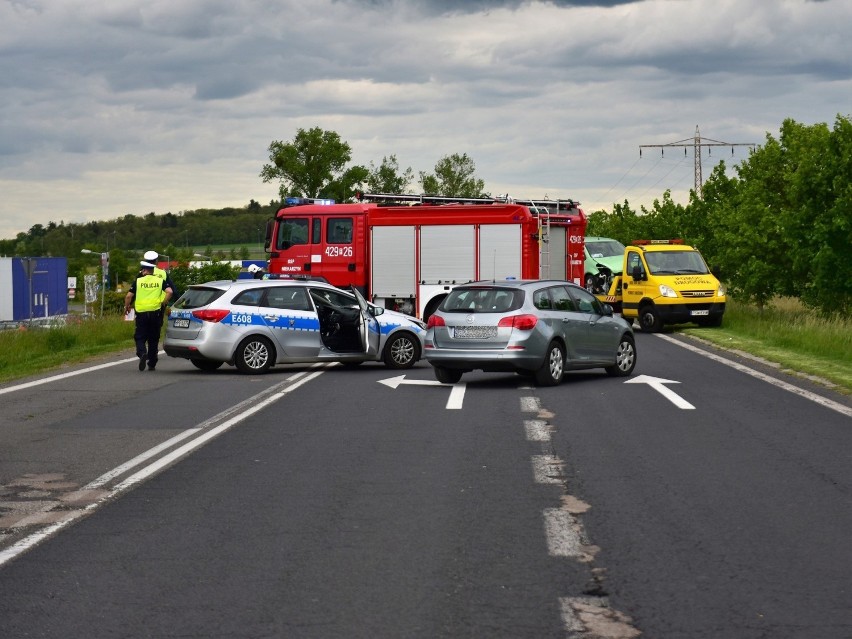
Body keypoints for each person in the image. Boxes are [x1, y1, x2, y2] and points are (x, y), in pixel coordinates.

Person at [125, 261, 173, 371]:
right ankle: (152, 363)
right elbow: (169, 292)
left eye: (142, 270)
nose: (142, 272)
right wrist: (164, 302)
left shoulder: (138, 281)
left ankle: (142, 353)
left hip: (141, 313)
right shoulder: (160, 280)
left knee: (140, 336)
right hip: (155, 312)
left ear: (145, 270)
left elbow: (128, 296)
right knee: (153, 338)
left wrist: (127, 306)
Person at [143, 250, 176, 331]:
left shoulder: (142, 273)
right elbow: (173, 289)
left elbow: (134, 290)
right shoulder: (163, 273)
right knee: (156, 328)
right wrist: (179, 301)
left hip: (144, 305)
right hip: (160, 304)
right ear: (156, 261)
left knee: (144, 328)